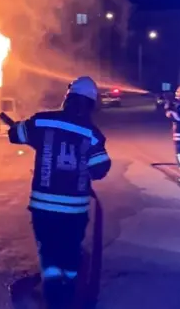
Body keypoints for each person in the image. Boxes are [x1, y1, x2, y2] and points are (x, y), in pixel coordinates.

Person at [7, 76, 112, 309]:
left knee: (49, 252)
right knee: (70, 253)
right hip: (74, 210)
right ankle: (69, 293)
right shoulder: (92, 134)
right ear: (91, 104)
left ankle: (54, 296)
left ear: (68, 98)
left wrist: (19, 129)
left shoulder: (43, 122)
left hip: (43, 208)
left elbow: (15, 135)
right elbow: (100, 169)